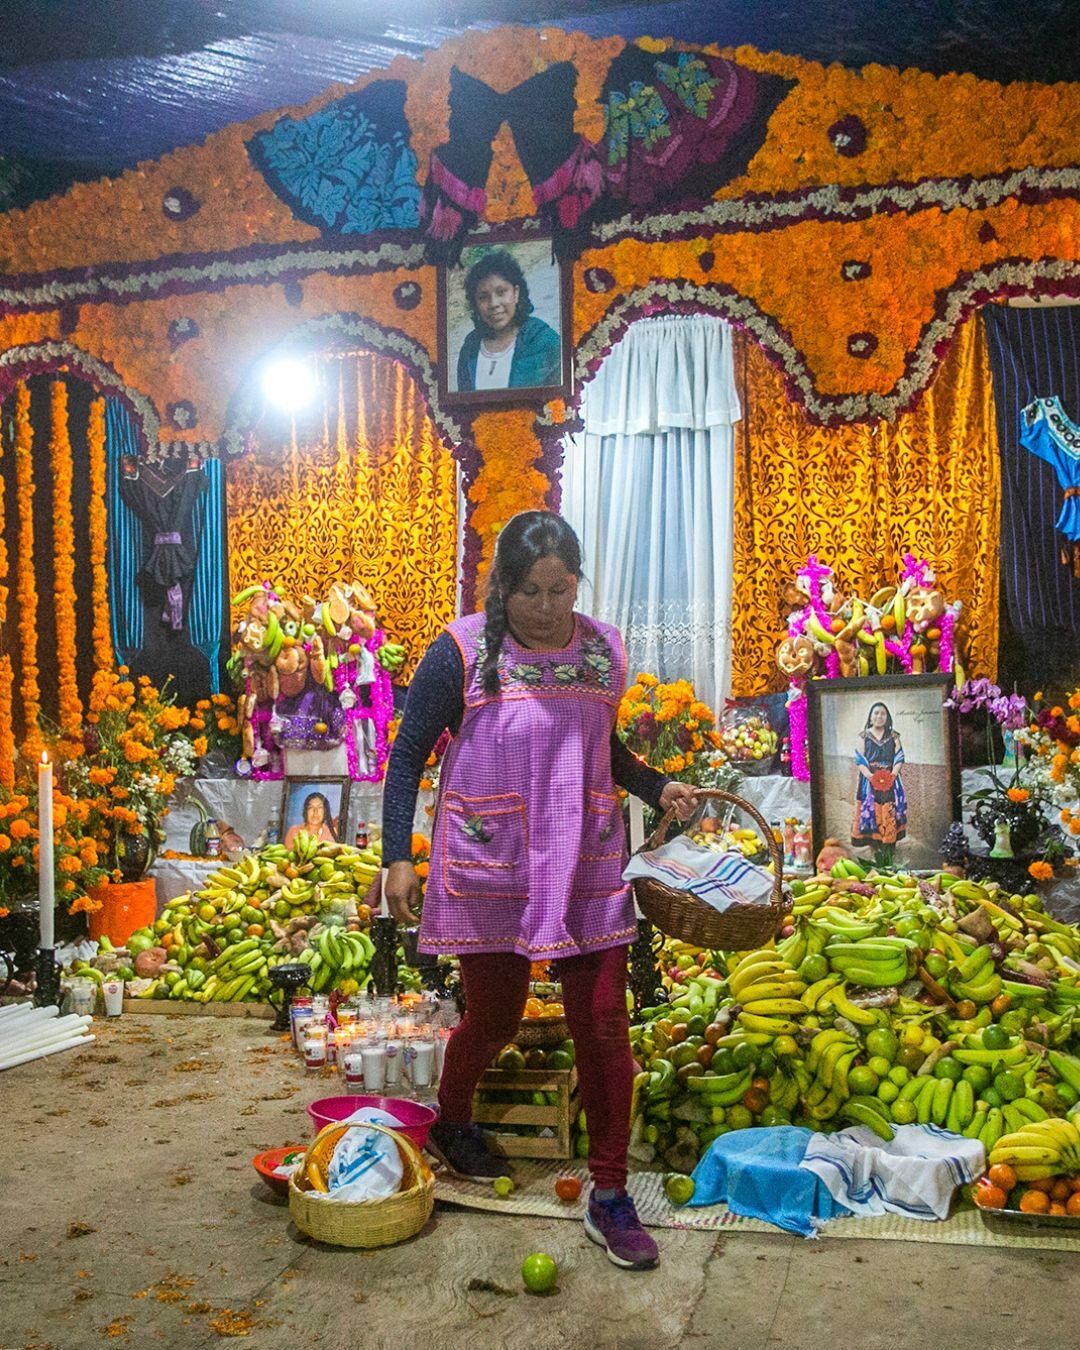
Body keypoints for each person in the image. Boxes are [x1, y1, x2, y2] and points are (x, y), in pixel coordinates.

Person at [382, 511, 698, 1270]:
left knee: (603, 1023)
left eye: (562, 588)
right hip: (496, 863)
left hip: (586, 861)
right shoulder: (460, 652)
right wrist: (397, 856)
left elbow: (601, 746)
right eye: (531, 591)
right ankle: (451, 1121)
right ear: (502, 588)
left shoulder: (602, 650)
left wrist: (658, 787)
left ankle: (612, 1193)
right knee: (494, 1015)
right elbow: (405, 756)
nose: (549, 606)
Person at [455, 249, 562, 393]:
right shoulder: (470, 348)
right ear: (475, 303)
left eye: (501, 292)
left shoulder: (544, 341)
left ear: (516, 293)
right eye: (483, 297)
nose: (493, 304)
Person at [851, 702, 907, 847]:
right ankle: (872, 840)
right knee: (871, 806)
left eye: (883, 713)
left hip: (890, 779)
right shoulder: (864, 736)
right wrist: (870, 775)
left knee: (888, 806)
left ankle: (888, 840)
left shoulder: (894, 736)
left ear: (887, 717)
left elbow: (899, 756)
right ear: (870, 717)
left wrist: (893, 774)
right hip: (869, 780)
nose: (879, 716)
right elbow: (859, 759)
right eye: (876, 713)